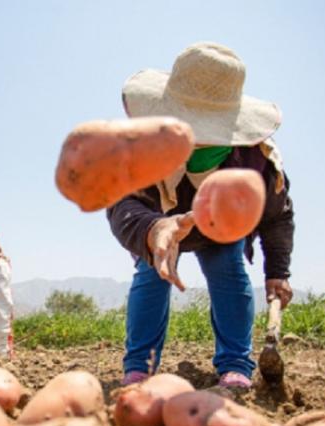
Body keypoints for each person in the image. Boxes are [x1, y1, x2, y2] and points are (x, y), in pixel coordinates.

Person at [107, 42, 294, 389]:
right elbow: (121, 202)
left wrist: (278, 272)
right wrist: (153, 228)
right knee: (152, 274)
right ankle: (140, 365)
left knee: (228, 270)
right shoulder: (142, 147)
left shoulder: (254, 159)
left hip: (222, 227)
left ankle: (235, 364)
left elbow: (276, 215)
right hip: (158, 223)